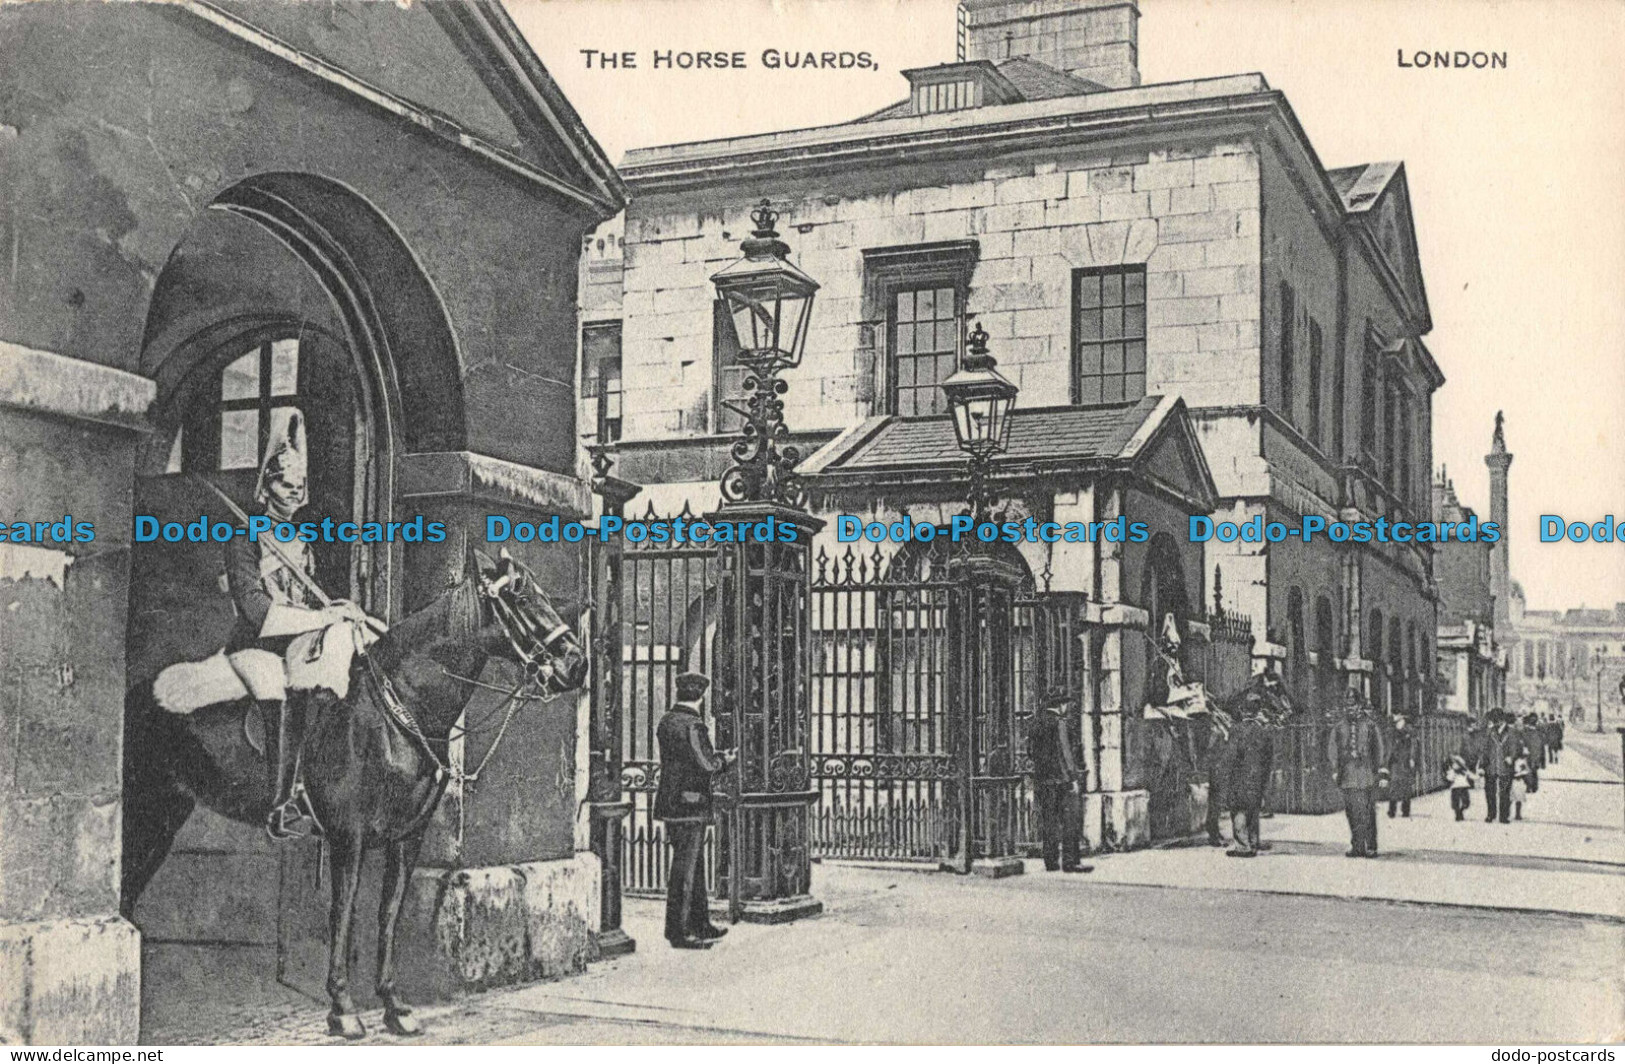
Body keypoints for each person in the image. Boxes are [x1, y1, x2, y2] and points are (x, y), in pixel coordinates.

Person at [222, 413, 377, 839]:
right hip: (256, 643)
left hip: (297, 637)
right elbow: (258, 611)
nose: (293, 494)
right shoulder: (244, 537)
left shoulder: (302, 542)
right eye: (285, 485)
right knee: (278, 688)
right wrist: (320, 618)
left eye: (299, 487)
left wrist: (337, 609)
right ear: (266, 487)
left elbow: (308, 600)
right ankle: (282, 803)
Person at [654, 672, 734, 949]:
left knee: (692, 866)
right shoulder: (694, 726)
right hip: (692, 803)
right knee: (686, 870)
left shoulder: (666, 721)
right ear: (701, 696)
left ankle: (700, 924)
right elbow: (707, 764)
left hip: (671, 804)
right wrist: (725, 759)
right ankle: (679, 932)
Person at [1028, 685, 1091, 872]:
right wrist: (1072, 778)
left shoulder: (1036, 723)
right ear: (1061, 705)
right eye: (1066, 704)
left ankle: (1051, 861)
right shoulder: (1060, 723)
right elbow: (1066, 753)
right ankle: (1070, 861)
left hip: (1043, 780)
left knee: (1049, 822)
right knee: (1069, 821)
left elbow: (1030, 752)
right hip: (1061, 781)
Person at [1327, 688, 1387, 857]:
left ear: (1360, 706)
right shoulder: (1339, 727)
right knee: (1352, 812)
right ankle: (1357, 845)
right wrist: (1334, 768)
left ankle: (1371, 846)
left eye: (1353, 706)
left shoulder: (1370, 725)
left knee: (1367, 811)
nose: (1350, 709)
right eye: (1347, 706)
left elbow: (1379, 748)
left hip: (1366, 775)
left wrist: (1381, 771)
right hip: (1347, 775)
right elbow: (1333, 749)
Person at [1223, 688, 1274, 858]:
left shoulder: (1236, 730)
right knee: (1253, 809)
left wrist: (1226, 774)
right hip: (1257, 776)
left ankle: (1243, 846)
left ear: (1242, 711)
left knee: (1238, 810)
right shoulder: (1263, 731)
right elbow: (1269, 757)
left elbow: (1231, 756)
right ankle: (1253, 842)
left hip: (1240, 776)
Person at [1475, 710, 1524, 825]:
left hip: (1506, 766)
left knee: (1505, 792)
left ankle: (1504, 816)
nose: (1493, 723)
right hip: (1490, 766)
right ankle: (1490, 814)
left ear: (1501, 720)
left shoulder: (1512, 732)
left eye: (1495, 721)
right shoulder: (1489, 732)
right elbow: (1484, 749)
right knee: (1490, 791)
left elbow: (1515, 747)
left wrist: (1511, 757)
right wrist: (1482, 765)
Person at [1385, 714, 1418, 818]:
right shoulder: (1392, 730)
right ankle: (1392, 810)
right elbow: (1389, 746)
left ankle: (1405, 810)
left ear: (1402, 718)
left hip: (1405, 761)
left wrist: (1412, 758)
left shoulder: (1409, 730)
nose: (1394, 717)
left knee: (1405, 786)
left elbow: (1414, 745)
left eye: (1397, 715)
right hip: (1395, 761)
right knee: (1394, 785)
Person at [1442, 753, 1474, 821]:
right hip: (1456, 787)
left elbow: (1471, 776)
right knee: (1457, 803)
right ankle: (1458, 814)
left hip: (1463, 786)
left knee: (1465, 802)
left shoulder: (1464, 771)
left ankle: (1460, 812)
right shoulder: (1453, 771)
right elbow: (1449, 778)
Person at [1509, 752, 1534, 821]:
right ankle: (1509, 813)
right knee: (1512, 797)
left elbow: (1527, 772)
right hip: (1515, 780)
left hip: (1520, 781)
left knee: (1518, 798)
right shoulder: (1516, 761)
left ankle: (1517, 814)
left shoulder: (1523, 762)